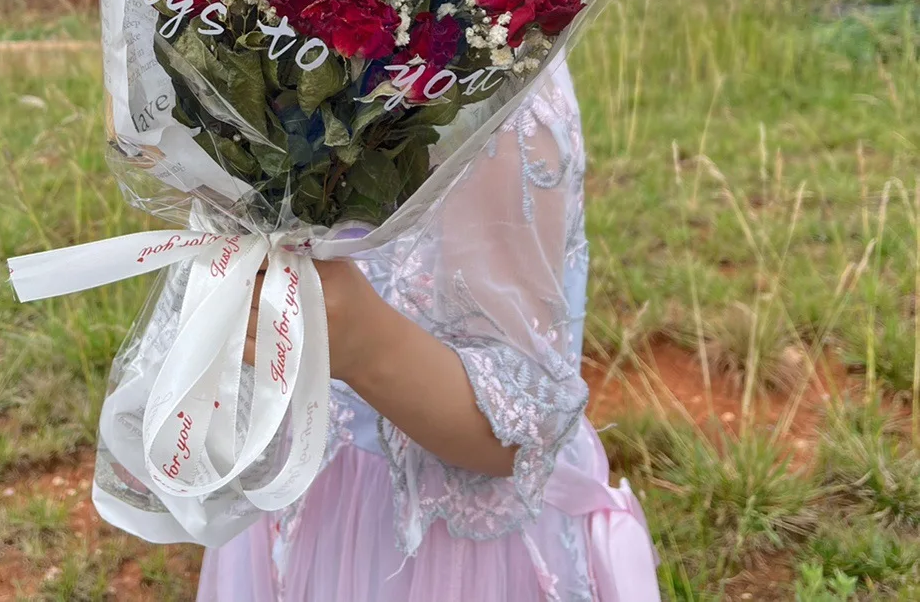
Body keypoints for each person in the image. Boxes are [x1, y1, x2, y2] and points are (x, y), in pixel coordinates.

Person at [195, 60, 661, 602]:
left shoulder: (498, 102)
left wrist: (365, 346)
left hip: (439, 552)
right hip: (301, 482)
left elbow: (515, 434)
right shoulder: (295, 59)